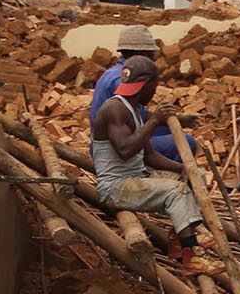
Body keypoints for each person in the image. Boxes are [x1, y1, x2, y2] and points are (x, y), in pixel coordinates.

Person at [90, 55, 216, 274]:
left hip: (138, 175)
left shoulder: (134, 109)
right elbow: (125, 150)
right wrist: (155, 121)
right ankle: (191, 256)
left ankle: (178, 240)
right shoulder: (114, 109)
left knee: (195, 179)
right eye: (155, 87)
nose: (154, 92)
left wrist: (183, 169)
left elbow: (149, 156)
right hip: (116, 187)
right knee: (176, 191)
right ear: (148, 85)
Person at [89, 25, 189, 165]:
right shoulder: (125, 79)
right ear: (142, 53)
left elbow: (137, 116)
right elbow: (131, 133)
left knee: (169, 132)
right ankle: (160, 173)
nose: (154, 59)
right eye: (151, 54)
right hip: (114, 148)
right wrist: (156, 119)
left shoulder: (114, 72)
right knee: (187, 141)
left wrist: (178, 120)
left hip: (110, 139)